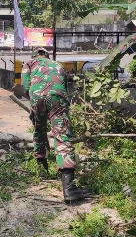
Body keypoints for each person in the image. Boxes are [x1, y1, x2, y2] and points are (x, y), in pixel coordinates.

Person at [22, 48, 89, 202]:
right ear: (47, 56)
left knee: (39, 130)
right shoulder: (58, 65)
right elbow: (63, 87)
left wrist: (34, 102)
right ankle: (69, 188)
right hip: (57, 98)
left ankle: (42, 169)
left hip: (36, 97)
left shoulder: (29, 63)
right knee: (62, 136)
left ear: (35, 56)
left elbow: (25, 87)